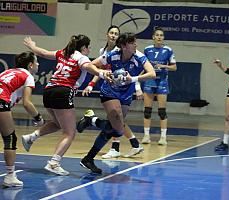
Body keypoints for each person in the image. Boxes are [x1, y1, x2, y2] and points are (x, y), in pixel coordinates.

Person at [21, 35, 110, 176]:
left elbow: (43, 53)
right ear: (83, 47)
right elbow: (88, 67)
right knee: (70, 132)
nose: (90, 49)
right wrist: (102, 73)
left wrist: (32, 46)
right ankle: (54, 163)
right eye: (89, 46)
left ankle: (31, 137)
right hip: (63, 91)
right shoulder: (81, 57)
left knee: (57, 123)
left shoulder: (63, 52)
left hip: (48, 91)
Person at [77, 32, 156, 174]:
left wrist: (132, 79)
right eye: (133, 43)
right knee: (117, 119)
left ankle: (88, 154)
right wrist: (103, 72)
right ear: (125, 46)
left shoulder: (139, 57)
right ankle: (91, 125)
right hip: (110, 92)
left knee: (116, 130)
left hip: (126, 95)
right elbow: (91, 65)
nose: (136, 45)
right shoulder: (112, 54)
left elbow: (152, 74)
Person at [0, 51, 44, 187]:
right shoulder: (28, 76)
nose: (38, 64)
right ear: (30, 65)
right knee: (10, 138)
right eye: (36, 61)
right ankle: (10, 176)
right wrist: (38, 118)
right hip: (1, 101)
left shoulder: (6, 72)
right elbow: (27, 103)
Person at [141, 27, 177, 145]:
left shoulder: (168, 50)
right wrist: (137, 79)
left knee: (162, 111)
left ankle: (163, 137)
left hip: (162, 82)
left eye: (161, 35)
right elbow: (143, 66)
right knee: (147, 110)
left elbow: (174, 67)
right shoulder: (147, 50)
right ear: (153, 37)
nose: (159, 37)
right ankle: (146, 136)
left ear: (163, 38)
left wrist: (164, 67)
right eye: (157, 35)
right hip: (150, 81)